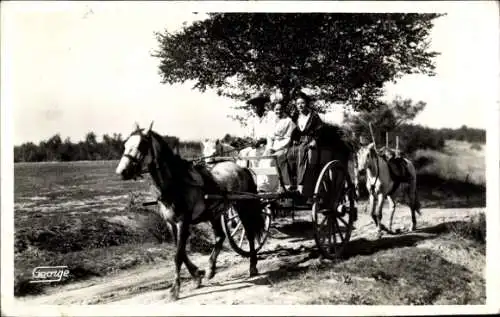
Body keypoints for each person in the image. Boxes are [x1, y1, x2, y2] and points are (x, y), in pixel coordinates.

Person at [287, 91, 325, 198]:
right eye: (298, 104)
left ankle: (301, 184)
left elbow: (320, 130)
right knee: (288, 154)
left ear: (306, 103)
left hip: (310, 141)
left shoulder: (313, 116)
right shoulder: (296, 117)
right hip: (300, 141)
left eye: (302, 103)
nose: (300, 105)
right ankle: (290, 183)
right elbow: (294, 131)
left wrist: (315, 140)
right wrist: (294, 139)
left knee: (301, 152)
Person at [262, 100, 296, 192]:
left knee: (278, 158)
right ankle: (265, 187)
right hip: (272, 146)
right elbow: (269, 136)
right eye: (276, 109)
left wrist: (276, 148)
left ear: (284, 109)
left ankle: (284, 185)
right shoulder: (271, 121)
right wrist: (269, 147)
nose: (278, 111)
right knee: (264, 161)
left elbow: (288, 138)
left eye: (280, 109)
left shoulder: (289, 121)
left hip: (284, 146)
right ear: (273, 110)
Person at [245, 93, 276, 191]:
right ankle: (256, 187)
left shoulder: (271, 115)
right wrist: (252, 141)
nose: (254, 107)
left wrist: (263, 140)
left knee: (267, 163)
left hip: (270, 145)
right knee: (249, 156)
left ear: (262, 105)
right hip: (257, 147)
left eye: (256, 104)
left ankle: (269, 189)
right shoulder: (251, 119)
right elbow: (249, 134)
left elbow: (274, 132)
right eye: (252, 105)